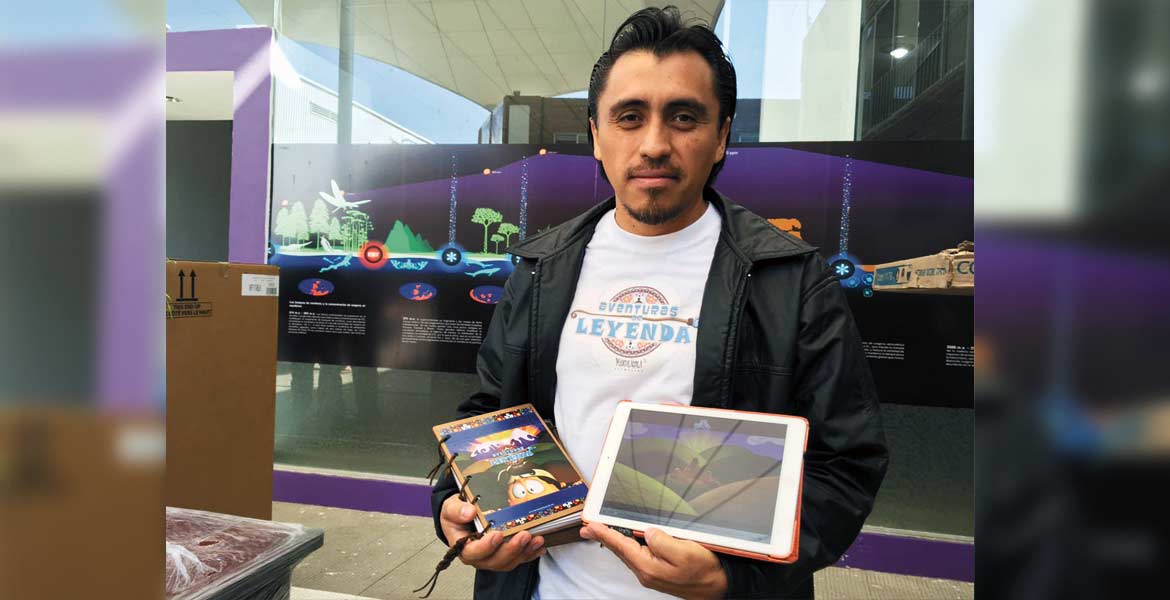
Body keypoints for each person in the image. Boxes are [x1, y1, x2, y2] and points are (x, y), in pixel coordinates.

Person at [432, 6, 888, 599]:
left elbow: (845, 462)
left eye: (684, 117)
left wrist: (735, 577)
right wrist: (454, 504)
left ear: (721, 137)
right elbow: (490, 413)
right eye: (629, 117)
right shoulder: (541, 268)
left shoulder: (792, 280)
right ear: (596, 136)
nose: (654, 144)